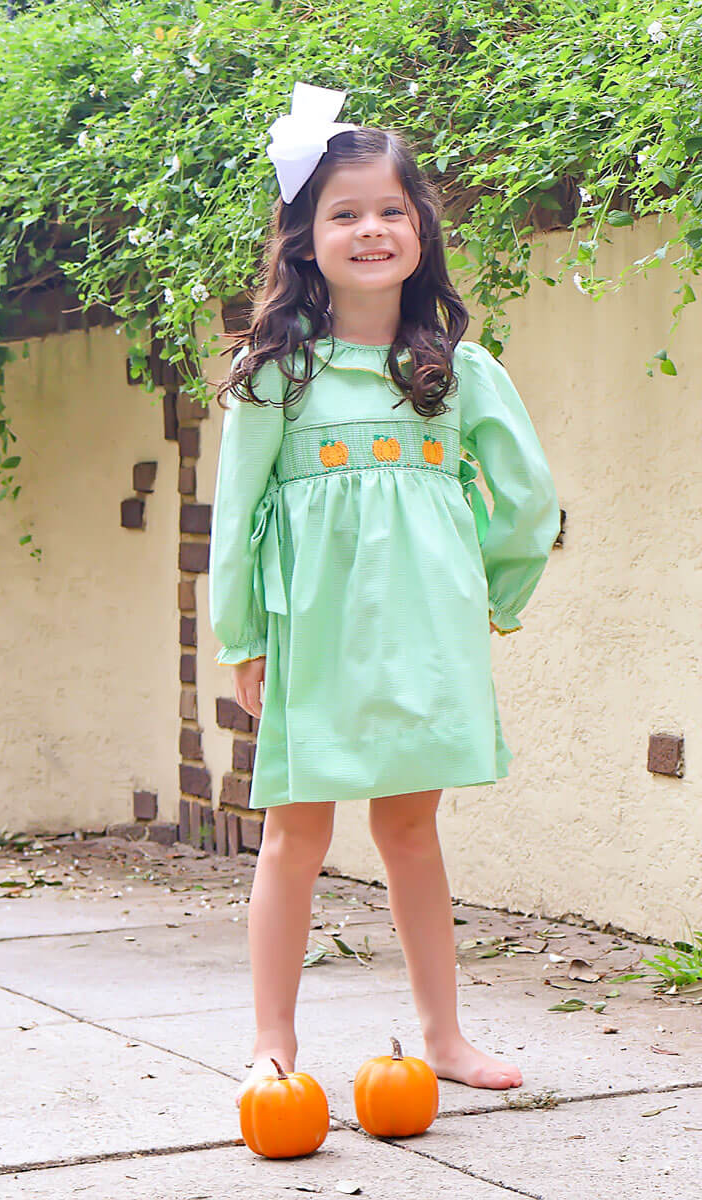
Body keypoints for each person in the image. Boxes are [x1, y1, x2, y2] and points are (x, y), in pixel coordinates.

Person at [208, 82, 561, 1104]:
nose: (371, 229)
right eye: (344, 212)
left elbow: (530, 498)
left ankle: (443, 1036)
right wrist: (242, 636)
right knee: (296, 830)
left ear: (422, 231)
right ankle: (273, 1044)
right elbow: (238, 513)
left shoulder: (459, 370)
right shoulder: (276, 373)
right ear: (304, 238)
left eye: (391, 211)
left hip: (421, 627)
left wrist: (490, 591)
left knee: (411, 829)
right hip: (307, 627)